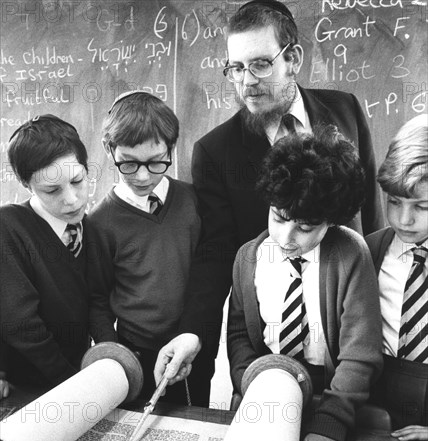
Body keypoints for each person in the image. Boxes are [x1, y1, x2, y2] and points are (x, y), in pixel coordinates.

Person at [154, 0, 384, 399]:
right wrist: (193, 331)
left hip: (351, 341)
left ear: (292, 58)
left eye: (260, 64)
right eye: (236, 68)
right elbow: (216, 253)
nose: (247, 82)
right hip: (276, 355)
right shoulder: (215, 151)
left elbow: (373, 218)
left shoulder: (345, 109)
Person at [228, 125, 383, 441]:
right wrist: (254, 388)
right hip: (265, 394)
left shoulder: (350, 255)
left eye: (305, 227)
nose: (286, 237)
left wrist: (329, 423)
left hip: (330, 401)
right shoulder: (248, 258)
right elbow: (239, 339)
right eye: (279, 218)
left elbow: (361, 355)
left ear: (331, 221)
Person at [88, 91, 203, 404]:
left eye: (155, 163)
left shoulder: (194, 200)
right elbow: (97, 299)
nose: (142, 176)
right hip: (136, 351)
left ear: (171, 148)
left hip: (193, 345)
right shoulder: (99, 223)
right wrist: (116, 357)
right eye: (128, 164)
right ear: (108, 150)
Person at [1, 114, 92, 390]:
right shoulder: (8, 227)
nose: (72, 199)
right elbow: (22, 324)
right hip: (25, 388)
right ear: (27, 185)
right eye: (52, 190)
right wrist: (73, 384)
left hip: (76, 375)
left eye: (77, 180)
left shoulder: (88, 227)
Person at [366, 114, 428, 441]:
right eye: (394, 202)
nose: (404, 219)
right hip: (375, 408)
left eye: (423, 206)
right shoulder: (368, 251)